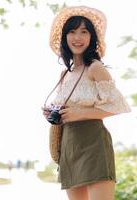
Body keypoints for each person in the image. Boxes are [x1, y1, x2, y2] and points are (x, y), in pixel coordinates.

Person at [42, 5, 131, 200]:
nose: (78, 37)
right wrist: (54, 114)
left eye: (84, 32)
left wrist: (79, 113)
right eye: (72, 32)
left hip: (94, 143)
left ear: (92, 37)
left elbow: (118, 105)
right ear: (65, 37)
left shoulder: (95, 68)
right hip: (69, 145)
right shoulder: (64, 74)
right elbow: (68, 111)